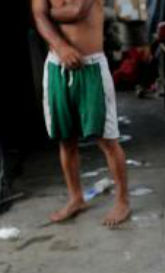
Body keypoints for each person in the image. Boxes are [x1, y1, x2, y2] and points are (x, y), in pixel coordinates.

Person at [31, 0, 131, 227]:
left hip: (92, 67)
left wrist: (47, 14)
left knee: (107, 140)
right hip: (57, 66)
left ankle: (122, 201)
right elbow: (39, 16)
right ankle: (76, 198)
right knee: (66, 140)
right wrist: (61, 46)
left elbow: (77, 11)